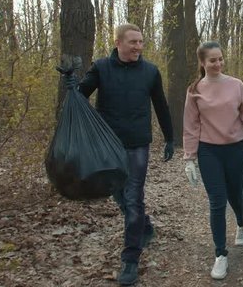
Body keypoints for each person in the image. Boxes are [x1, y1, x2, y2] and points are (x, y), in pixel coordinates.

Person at [67, 23, 174, 286]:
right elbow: (81, 96)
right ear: (118, 43)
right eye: (133, 42)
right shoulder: (101, 67)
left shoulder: (150, 71)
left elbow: (160, 104)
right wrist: (70, 85)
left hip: (138, 143)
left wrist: (171, 138)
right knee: (118, 193)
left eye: (141, 42)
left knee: (134, 197)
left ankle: (130, 260)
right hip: (108, 145)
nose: (138, 46)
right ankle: (144, 227)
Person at [182, 41, 243, 280]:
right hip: (209, 152)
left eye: (220, 59)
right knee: (217, 201)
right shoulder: (195, 90)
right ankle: (220, 254)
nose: (218, 63)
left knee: (236, 194)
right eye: (212, 60)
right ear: (202, 62)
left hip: (235, 149)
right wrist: (189, 158)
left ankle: (241, 224)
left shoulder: (236, 85)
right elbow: (190, 126)